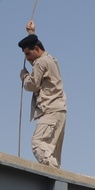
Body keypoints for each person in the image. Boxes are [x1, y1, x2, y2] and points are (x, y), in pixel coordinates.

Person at [19, 20, 67, 169]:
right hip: (60, 111)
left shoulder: (41, 63)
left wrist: (24, 77)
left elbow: (32, 85)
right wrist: (31, 34)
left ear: (37, 49)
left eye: (28, 54)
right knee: (51, 152)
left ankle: (54, 173)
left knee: (38, 144)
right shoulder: (49, 59)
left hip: (50, 112)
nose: (27, 58)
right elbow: (37, 59)